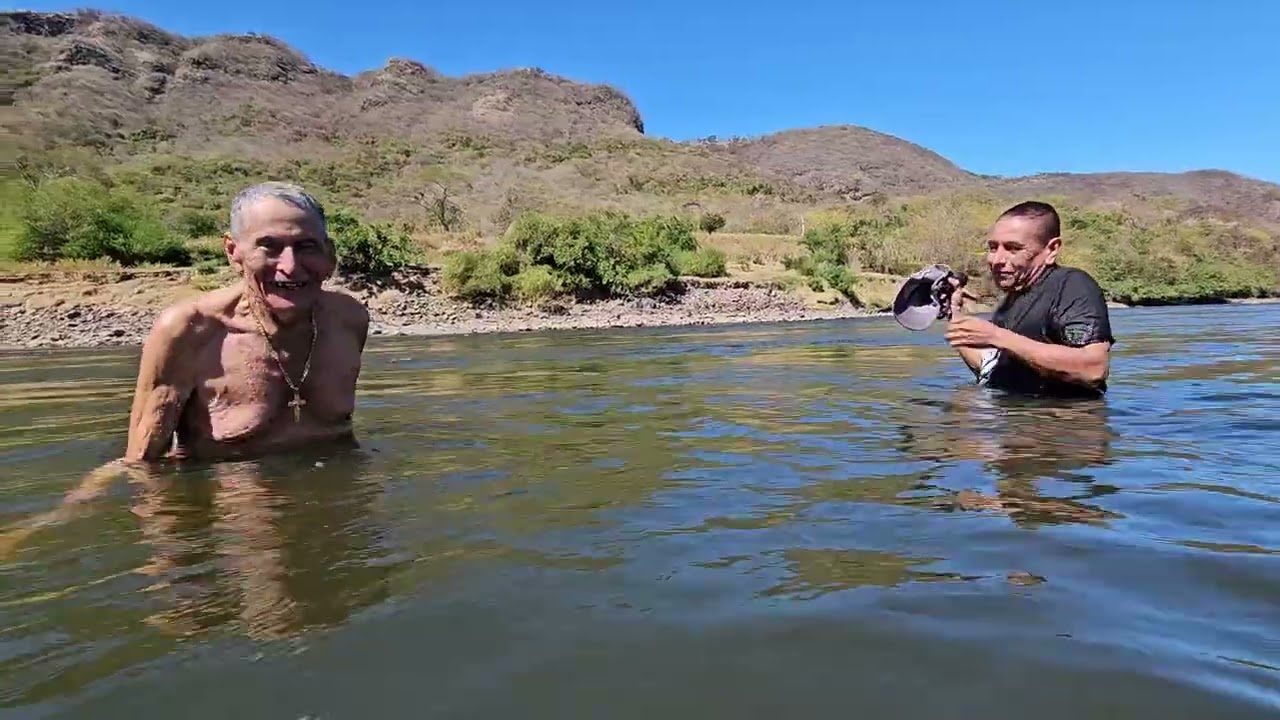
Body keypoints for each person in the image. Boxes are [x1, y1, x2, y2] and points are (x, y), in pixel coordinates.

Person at [126, 181, 370, 461]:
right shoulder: (190, 330)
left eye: (306, 247)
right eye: (269, 246)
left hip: (342, 499)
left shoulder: (349, 319)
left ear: (329, 253)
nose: (289, 266)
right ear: (233, 251)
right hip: (235, 500)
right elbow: (142, 463)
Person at [945, 200, 1115, 397]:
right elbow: (992, 368)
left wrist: (996, 336)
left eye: (1013, 248)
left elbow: (1093, 369)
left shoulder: (1071, 285)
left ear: (1051, 249)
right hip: (1012, 420)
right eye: (993, 247)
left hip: (1063, 423)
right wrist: (954, 314)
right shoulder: (1013, 299)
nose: (997, 260)